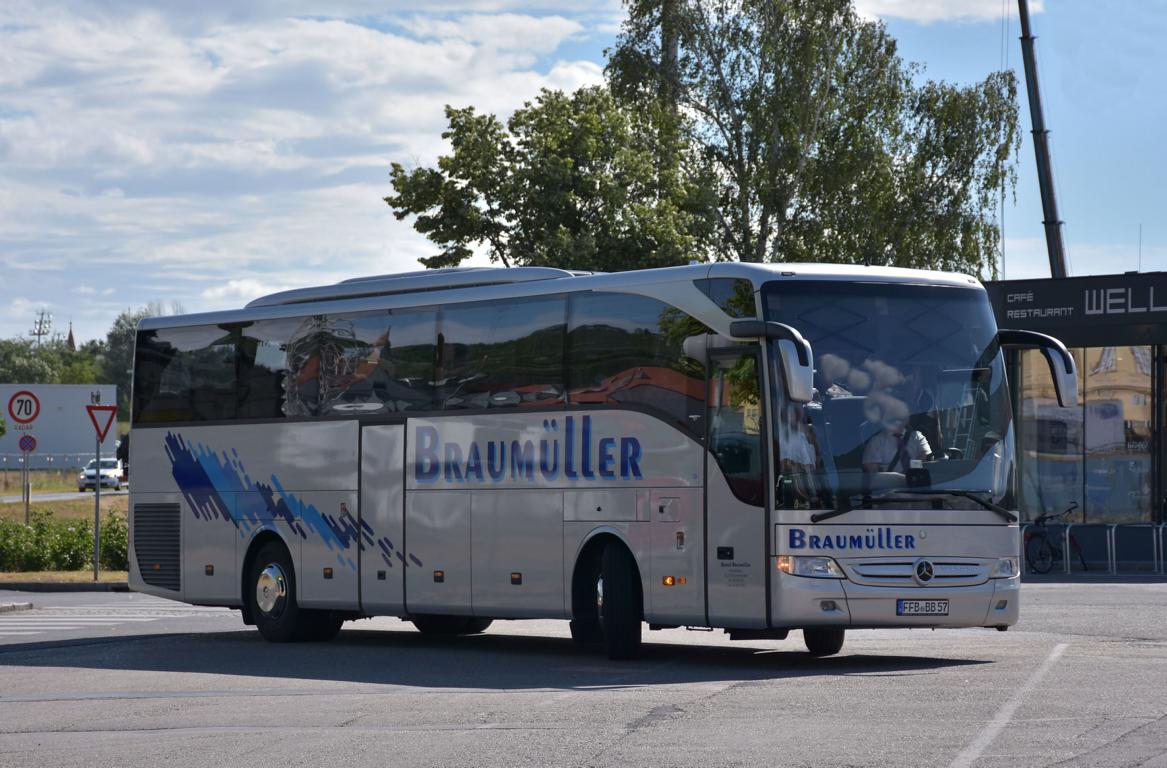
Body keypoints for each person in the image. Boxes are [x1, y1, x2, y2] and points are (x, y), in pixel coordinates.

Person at [862, 396, 932, 473]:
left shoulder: (917, 436)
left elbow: (925, 456)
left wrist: (911, 470)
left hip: (915, 480)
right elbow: (873, 472)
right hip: (889, 483)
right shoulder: (876, 441)